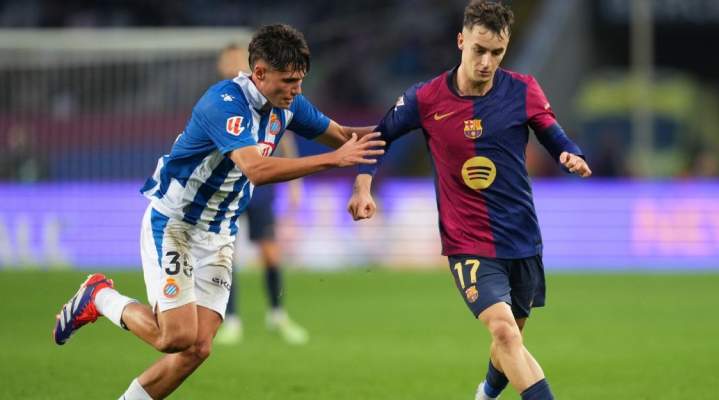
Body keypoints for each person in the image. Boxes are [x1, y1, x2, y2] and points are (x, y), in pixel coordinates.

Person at [52, 24, 383, 400]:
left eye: (301, 81)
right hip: (176, 224)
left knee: (198, 348)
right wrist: (334, 161)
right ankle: (99, 296)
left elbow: (346, 137)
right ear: (260, 73)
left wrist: (402, 126)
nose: (297, 90)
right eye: (289, 81)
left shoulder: (288, 105)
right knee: (174, 337)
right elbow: (256, 169)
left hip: (220, 231)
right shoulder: (223, 103)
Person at [347, 2, 592, 400]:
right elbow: (379, 137)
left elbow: (552, 132)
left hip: (521, 236)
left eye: (497, 52)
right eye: (479, 50)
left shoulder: (523, 89)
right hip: (468, 241)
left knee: (509, 341)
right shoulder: (426, 98)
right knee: (504, 332)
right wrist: (362, 186)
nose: (487, 62)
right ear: (461, 41)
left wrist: (570, 154)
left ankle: (486, 394)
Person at [214, 44, 309, 345]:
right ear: (221, 66)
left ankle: (277, 315)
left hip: (259, 186)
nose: (232, 64)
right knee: (226, 254)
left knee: (270, 251)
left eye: (236, 59)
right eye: (228, 60)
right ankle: (230, 320)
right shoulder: (218, 100)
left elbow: (285, 136)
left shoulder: (265, 97)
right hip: (226, 188)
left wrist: (295, 184)